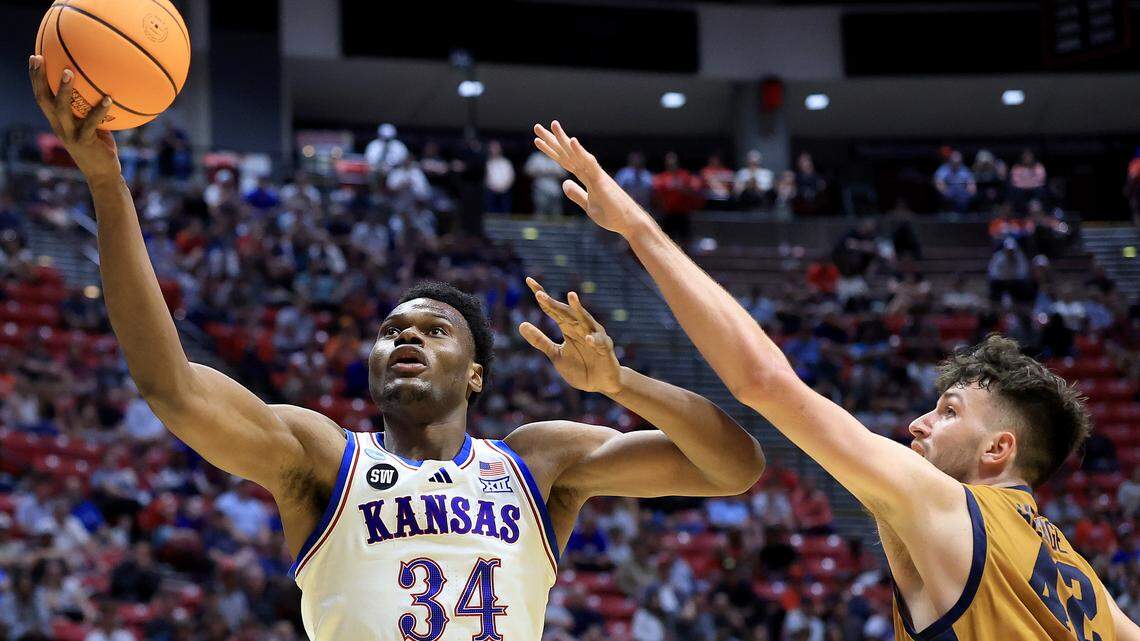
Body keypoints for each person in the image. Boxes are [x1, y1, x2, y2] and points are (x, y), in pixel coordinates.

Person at [29, 58, 765, 641]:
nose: (404, 335)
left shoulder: (539, 462)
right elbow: (172, 387)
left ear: (475, 375)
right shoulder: (323, 459)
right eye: (390, 331)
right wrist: (107, 186)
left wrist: (622, 383)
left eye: (434, 329)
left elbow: (736, 468)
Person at [531, 119, 1139, 641]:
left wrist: (637, 228)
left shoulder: (952, 507)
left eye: (949, 412)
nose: (918, 423)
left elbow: (763, 381)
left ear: (998, 449)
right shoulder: (1084, 585)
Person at [652, 152, 704, 247]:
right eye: (669, 163)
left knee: (685, 242)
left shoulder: (685, 176)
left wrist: (681, 188)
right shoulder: (662, 177)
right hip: (668, 214)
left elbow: (693, 191)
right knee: (667, 242)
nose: (671, 165)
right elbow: (658, 195)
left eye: (673, 163)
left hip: (682, 213)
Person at [524, 148, 568, 216]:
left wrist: (553, 172)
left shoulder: (557, 156)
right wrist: (540, 172)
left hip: (555, 189)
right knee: (540, 212)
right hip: (540, 188)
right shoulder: (536, 157)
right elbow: (527, 171)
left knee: (556, 212)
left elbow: (564, 174)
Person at [484, 140, 515, 214]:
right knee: (490, 212)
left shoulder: (506, 162)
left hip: (505, 191)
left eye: (496, 148)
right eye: (492, 148)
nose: (494, 150)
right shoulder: (487, 162)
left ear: (500, 149)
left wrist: (504, 186)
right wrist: (492, 186)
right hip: (491, 191)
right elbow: (485, 177)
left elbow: (511, 176)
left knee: (505, 212)